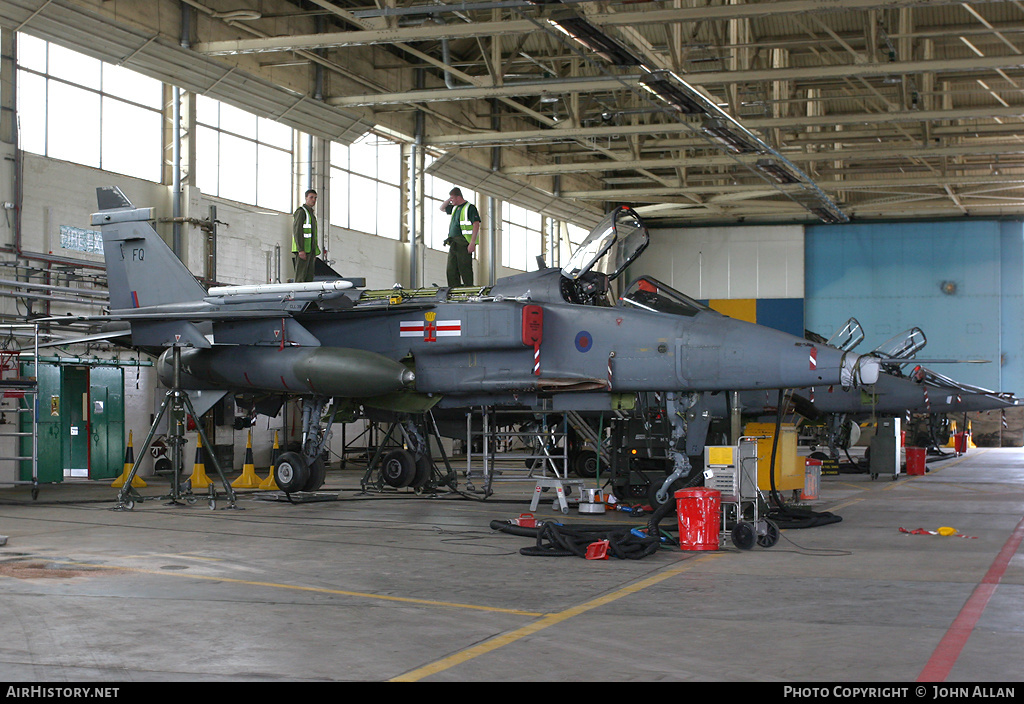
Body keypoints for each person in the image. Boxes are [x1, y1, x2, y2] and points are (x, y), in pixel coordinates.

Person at [440, 187, 480, 287]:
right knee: (451, 268)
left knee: (464, 266)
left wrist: (472, 242)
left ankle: (468, 287)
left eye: (453, 198)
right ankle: (454, 287)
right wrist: (449, 200)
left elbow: (476, 224)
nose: (451, 200)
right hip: (453, 242)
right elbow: (442, 208)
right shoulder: (454, 208)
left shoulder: (469, 207)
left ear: (458, 197)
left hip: (464, 242)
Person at [292, 189, 320, 283]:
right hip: (303, 250)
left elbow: (313, 236)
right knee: (301, 276)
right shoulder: (301, 212)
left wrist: (314, 252)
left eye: (315, 198)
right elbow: (297, 231)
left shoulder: (311, 214)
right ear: (306, 198)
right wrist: (300, 249)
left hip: (310, 251)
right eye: (311, 197)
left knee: (309, 277)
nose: (313, 200)